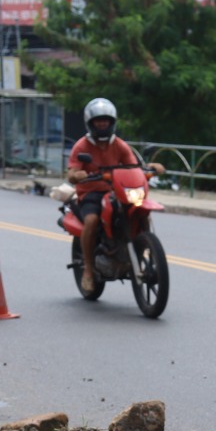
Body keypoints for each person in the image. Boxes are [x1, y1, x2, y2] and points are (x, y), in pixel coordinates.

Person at [64, 99, 162, 291]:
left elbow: (133, 167)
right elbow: (72, 172)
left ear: (112, 122)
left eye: (106, 121)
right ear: (90, 123)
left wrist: (148, 169)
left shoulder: (119, 145)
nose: (102, 124)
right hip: (91, 192)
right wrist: (77, 174)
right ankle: (88, 270)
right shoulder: (81, 146)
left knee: (140, 211)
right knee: (91, 220)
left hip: (115, 190)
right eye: (98, 121)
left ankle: (144, 250)